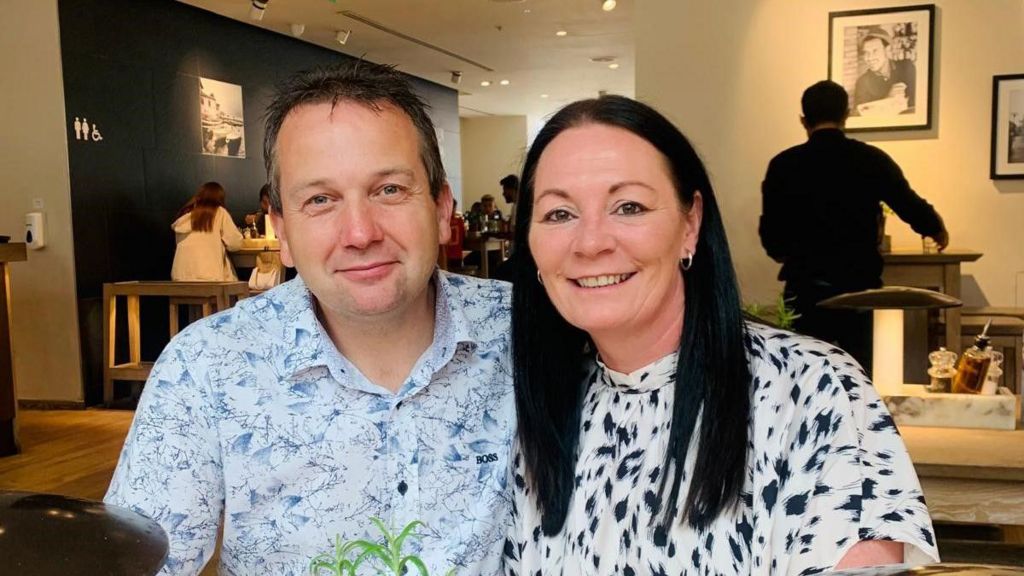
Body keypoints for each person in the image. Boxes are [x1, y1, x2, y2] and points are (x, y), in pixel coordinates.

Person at [502, 95, 939, 575]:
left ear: (690, 224)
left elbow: (773, 238)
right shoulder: (535, 404)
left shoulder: (813, 391)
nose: (590, 243)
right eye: (559, 214)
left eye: (628, 207)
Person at [107, 62, 515, 575]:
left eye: (388, 189)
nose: (360, 232)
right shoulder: (207, 367)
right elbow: (140, 564)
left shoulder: (524, 334)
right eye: (320, 200)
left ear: (440, 208)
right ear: (282, 230)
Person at [760, 80, 947, 369]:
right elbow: (907, 203)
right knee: (860, 378)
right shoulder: (870, 159)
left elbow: (772, 239)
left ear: (803, 120)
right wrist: (934, 227)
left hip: (807, 291)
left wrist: (792, 252)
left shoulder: (783, 165)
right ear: (846, 115)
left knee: (806, 379)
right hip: (859, 290)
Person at [170, 181, 243, 281]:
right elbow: (235, 244)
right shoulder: (220, 213)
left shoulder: (184, 219)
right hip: (209, 278)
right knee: (231, 275)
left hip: (180, 278)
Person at [853, 26, 916, 115]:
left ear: (887, 50)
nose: (869, 58)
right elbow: (860, 116)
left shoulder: (907, 67)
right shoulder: (862, 82)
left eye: (875, 51)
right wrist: (888, 99)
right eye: (866, 53)